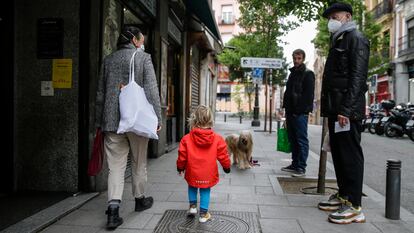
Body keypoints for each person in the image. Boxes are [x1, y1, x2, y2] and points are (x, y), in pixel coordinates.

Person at [95, 25, 162, 230]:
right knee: (139, 161)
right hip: (136, 121)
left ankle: (113, 211)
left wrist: (99, 122)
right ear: (134, 40)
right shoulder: (144, 58)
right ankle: (140, 199)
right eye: (141, 39)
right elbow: (151, 90)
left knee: (115, 166)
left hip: (112, 121)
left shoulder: (108, 60)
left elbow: (100, 94)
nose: (143, 43)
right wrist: (157, 118)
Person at [319, 2, 369, 224]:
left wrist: (346, 110)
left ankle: (355, 206)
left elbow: (358, 77)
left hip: (347, 111)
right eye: (329, 17)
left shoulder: (356, 38)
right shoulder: (338, 39)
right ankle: (344, 195)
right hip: (336, 109)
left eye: (335, 16)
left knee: (350, 156)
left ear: (347, 16)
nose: (331, 20)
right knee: (338, 155)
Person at [176, 105, 231, 223]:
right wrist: (226, 166)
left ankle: (192, 207)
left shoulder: (186, 139)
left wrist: (180, 167)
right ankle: (203, 214)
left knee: (192, 186)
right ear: (211, 119)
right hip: (208, 173)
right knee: (205, 190)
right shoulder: (218, 139)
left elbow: (182, 156)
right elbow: (223, 155)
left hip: (192, 171)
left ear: (193, 120)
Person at [281, 49, 315, 177]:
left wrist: (300, 111)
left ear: (303, 59)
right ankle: (294, 164)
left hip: (300, 113)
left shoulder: (308, 74)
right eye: (295, 58)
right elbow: (289, 93)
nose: (296, 61)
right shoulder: (292, 73)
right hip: (290, 112)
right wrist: (287, 110)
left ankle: (301, 167)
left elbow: (308, 96)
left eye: (299, 58)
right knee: (293, 139)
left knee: (301, 140)